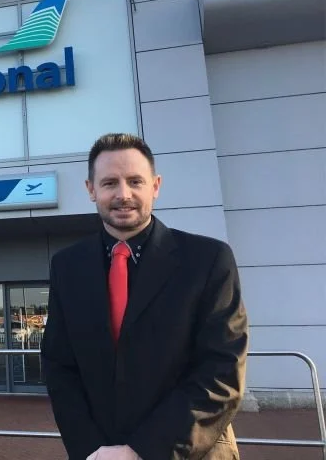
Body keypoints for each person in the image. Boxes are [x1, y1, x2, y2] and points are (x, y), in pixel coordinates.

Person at [41, 133, 248, 460]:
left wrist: (142, 450)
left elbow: (222, 370)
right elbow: (60, 366)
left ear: (155, 186)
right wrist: (90, 449)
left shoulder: (208, 260)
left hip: (188, 451)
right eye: (109, 183)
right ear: (91, 190)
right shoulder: (67, 267)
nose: (124, 195)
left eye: (135, 181)